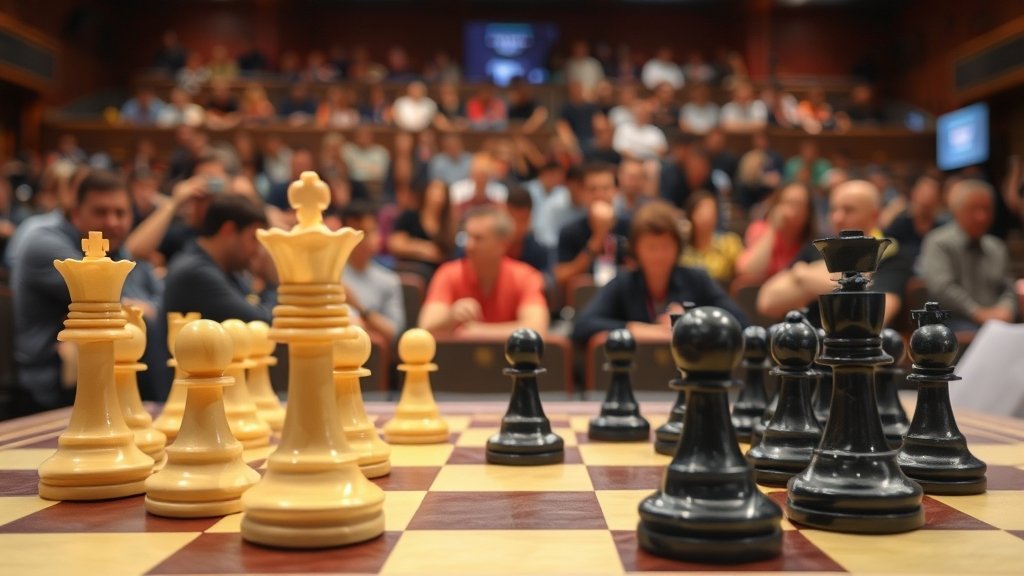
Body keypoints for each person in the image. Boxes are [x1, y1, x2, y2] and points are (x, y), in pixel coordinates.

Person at [11, 170, 163, 414]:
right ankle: (161, 416)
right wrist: (139, 309)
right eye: (100, 212)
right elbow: (107, 299)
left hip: (102, 374)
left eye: (120, 213)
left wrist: (141, 308)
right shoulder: (43, 242)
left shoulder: (117, 250)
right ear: (76, 213)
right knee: (141, 330)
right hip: (52, 382)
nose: (112, 222)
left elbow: (159, 303)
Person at [572, 200, 746, 343]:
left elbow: (741, 322)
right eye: (651, 247)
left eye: (665, 246)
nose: (659, 255)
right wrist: (637, 329)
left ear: (677, 247)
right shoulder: (624, 282)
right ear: (636, 250)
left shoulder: (697, 279)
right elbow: (581, 327)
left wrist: (693, 322)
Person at [757, 179, 904, 326]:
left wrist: (803, 275)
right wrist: (849, 282)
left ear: (874, 216)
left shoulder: (888, 255)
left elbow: (873, 317)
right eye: (833, 210)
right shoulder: (817, 248)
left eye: (849, 210)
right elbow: (767, 302)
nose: (837, 218)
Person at [419, 205, 549, 337]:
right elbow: (425, 328)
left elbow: (537, 330)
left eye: (478, 238)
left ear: (502, 244)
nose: (469, 245)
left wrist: (478, 332)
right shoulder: (447, 273)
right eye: (467, 237)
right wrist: (451, 316)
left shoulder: (526, 277)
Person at [917, 179, 1018, 332]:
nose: (981, 216)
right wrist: (976, 312)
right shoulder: (938, 242)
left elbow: (1008, 289)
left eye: (987, 209)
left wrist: (1005, 310)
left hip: (997, 320)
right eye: (973, 209)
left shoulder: (997, 247)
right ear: (956, 211)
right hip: (955, 321)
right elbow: (942, 288)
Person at [163, 193, 275, 323]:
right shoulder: (195, 273)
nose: (259, 250)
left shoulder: (227, 269)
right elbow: (261, 323)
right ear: (229, 230)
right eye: (254, 239)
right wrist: (272, 281)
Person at [554, 163, 630, 289]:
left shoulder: (631, 226)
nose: (599, 194)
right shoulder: (570, 231)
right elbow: (561, 276)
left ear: (616, 191)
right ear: (583, 193)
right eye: (593, 189)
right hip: (586, 297)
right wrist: (598, 238)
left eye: (605, 188)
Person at [338, 202, 404, 343]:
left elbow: (393, 332)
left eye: (367, 232)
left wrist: (359, 308)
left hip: (369, 353)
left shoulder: (389, 280)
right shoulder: (329, 275)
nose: (362, 240)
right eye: (355, 233)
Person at [737, 182, 816, 280]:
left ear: (808, 212)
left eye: (800, 204)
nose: (794, 210)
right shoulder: (759, 229)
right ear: (777, 205)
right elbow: (748, 271)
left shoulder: (812, 242)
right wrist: (772, 228)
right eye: (790, 203)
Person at [388, 180, 453, 280]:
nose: (437, 196)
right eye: (434, 191)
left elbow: (445, 255)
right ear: (425, 193)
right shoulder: (409, 217)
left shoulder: (448, 225)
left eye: (441, 193)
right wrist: (425, 249)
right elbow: (395, 244)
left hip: (437, 274)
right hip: (408, 269)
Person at [680, 191, 743, 285]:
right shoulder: (682, 252)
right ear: (690, 215)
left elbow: (742, 271)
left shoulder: (730, 242)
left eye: (711, 211)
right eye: (702, 211)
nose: (707, 216)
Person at [883, 175, 947, 266]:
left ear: (938, 200)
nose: (926, 201)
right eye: (923, 195)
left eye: (931, 196)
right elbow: (885, 245)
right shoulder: (900, 224)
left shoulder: (942, 227)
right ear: (914, 195)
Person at [504, 186, 550, 273]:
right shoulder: (492, 248)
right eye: (512, 219)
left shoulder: (539, 252)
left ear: (530, 218)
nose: (517, 227)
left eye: (523, 220)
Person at [343, 126, 391, 200]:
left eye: (365, 135)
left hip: (374, 187)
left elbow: (379, 174)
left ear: (371, 136)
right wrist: (368, 169)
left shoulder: (380, 152)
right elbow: (350, 172)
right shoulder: (349, 150)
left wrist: (359, 167)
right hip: (354, 186)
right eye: (359, 136)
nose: (362, 138)